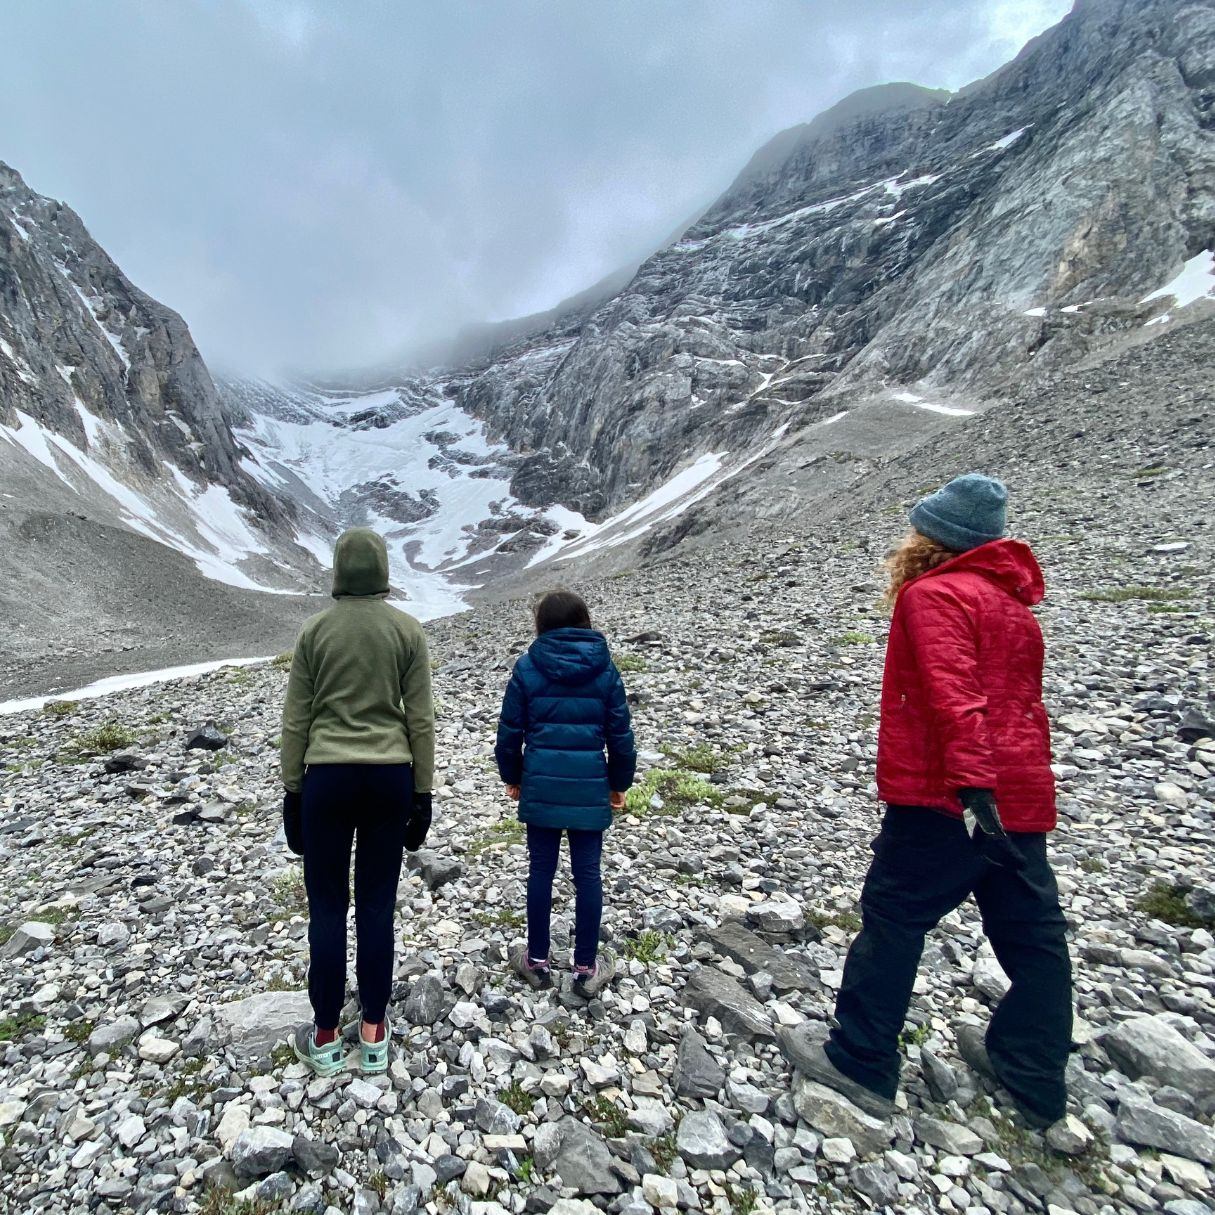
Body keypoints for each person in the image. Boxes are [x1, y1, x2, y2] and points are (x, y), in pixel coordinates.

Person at [785, 473, 1072, 1129]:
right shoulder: (1011, 604)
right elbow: (1018, 708)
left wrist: (972, 790)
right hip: (1021, 795)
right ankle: (1032, 1075)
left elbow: (955, 696)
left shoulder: (933, 595)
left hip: (948, 797)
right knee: (1032, 936)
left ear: (936, 535)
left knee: (893, 912)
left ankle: (859, 1060)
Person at [280, 528, 435, 1076]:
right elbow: (419, 720)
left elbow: (297, 719)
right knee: (376, 905)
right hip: (390, 777)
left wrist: (291, 792)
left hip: (325, 777)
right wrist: (423, 792)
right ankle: (373, 1032)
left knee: (326, 907)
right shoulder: (407, 631)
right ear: (385, 572)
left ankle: (323, 1034)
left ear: (339, 572)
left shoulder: (315, 632)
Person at [495, 590, 636, 996]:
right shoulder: (605, 669)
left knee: (541, 870)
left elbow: (509, 734)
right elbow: (620, 735)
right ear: (584, 620)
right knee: (588, 874)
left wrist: (514, 775)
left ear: (541, 625)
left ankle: (536, 961)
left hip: (540, 783)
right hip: (590, 785)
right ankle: (586, 967)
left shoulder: (527, 667)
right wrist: (618, 782)